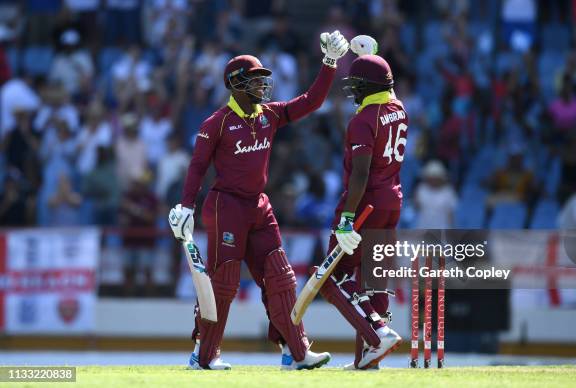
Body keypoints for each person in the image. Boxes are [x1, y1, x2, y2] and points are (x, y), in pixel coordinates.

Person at [168, 31, 349, 370]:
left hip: (258, 206)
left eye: (262, 80)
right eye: (254, 80)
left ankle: (296, 353)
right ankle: (203, 356)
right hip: (226, 207)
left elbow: (311, 101)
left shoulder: (269, 114)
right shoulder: (217, 123)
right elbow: (197, 166)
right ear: (235, 84)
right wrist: (186, 206)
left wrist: (329, 64)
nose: (263, 86)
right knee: (223, 284)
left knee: (281, 277)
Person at [319, 54, 407, 370]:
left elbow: (360, 174)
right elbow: (388, 89)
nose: (353, 90)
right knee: (375, 280)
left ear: (369, 86)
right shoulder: (399, 110)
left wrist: (346, 219)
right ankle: (367, 361)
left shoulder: (362, 120)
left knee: (331, 279)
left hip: (363, 205)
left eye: (357, 84)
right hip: (392, 202)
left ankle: (377, 332)